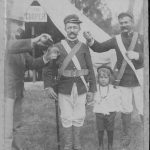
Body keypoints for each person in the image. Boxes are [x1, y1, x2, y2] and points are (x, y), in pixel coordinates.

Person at [83, 12, 144, 148]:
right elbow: (98, 48)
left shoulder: (141, 37)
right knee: (125, 109)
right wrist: (90, 39)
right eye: (121, 23)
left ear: (132, 22)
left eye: (126, 22)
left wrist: (138, 55)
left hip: (140, 80)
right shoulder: (116, 39)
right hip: (123, 80)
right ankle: (126, 135)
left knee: (143, 108)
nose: (123, 25)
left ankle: (146, 133)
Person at [43, 14, 97, 150]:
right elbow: (49, 69)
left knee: (80, 115)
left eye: (75, 27)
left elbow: (90, 69)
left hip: (81, 86)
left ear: (79, 29)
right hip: (64, 87)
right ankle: (68, 145)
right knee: (66, 116)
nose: (72, 30)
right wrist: (48, 86)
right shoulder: (57, 47)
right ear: (65, 29)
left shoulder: (84, 47)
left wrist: (92, 90)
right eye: (69, 27)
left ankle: (77, 145)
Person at [4, 16, 55, 150]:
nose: (22, 28)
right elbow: (10, 47)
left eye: (23, 24)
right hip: (4, 94)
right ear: (5, 24)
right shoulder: (6, 43)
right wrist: (35, 40)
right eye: (17, 23)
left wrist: (47, 56)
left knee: (16, 127)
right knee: (5, 129)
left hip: (17, 92)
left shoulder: (18, 46)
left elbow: (32, 63)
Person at [93, 65, 122, 150]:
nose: (103, 79)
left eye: (105, 77)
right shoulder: (96, 89)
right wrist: (95, 99)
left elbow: (117, 99)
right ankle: (100, 145)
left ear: (109, 78)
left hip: (110, 112)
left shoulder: (113, 88)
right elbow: (93, 99)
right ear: (98, 78)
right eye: (101, 77)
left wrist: (117, 109)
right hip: (99, 113)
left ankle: (110, 145)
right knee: (100, 130)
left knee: (110, 130)